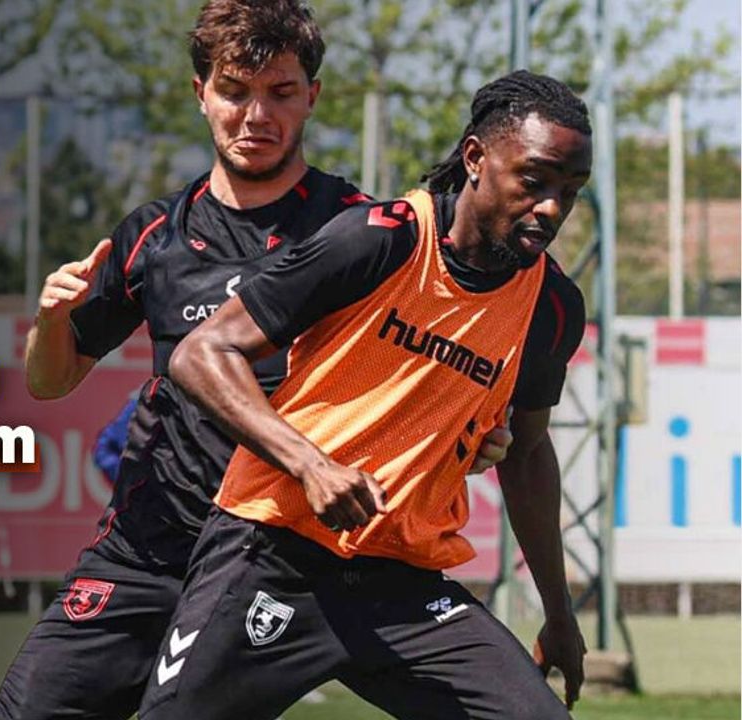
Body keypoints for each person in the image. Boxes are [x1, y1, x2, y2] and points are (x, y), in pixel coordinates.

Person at [0, 2, 510, 717]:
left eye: (281, 92)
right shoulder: (155, 236)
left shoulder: (361, 231)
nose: (256, 115)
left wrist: (474, 437)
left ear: (312, 97)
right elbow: (51, 380)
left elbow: (428, 375)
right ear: (200, 92)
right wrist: (51, 319)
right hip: (150, 551)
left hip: (283, 560)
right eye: (234, 90)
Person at [140, 70, 591, 720]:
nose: (550, 208)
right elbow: (202, 353)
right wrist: (312, 466)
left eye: (569, 192)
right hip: (272, 553)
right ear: (475, 158)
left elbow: (526, 452)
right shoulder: (380, 238)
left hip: (402, 584)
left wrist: (559, 612)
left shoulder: (551, 306)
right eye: (534, 180)